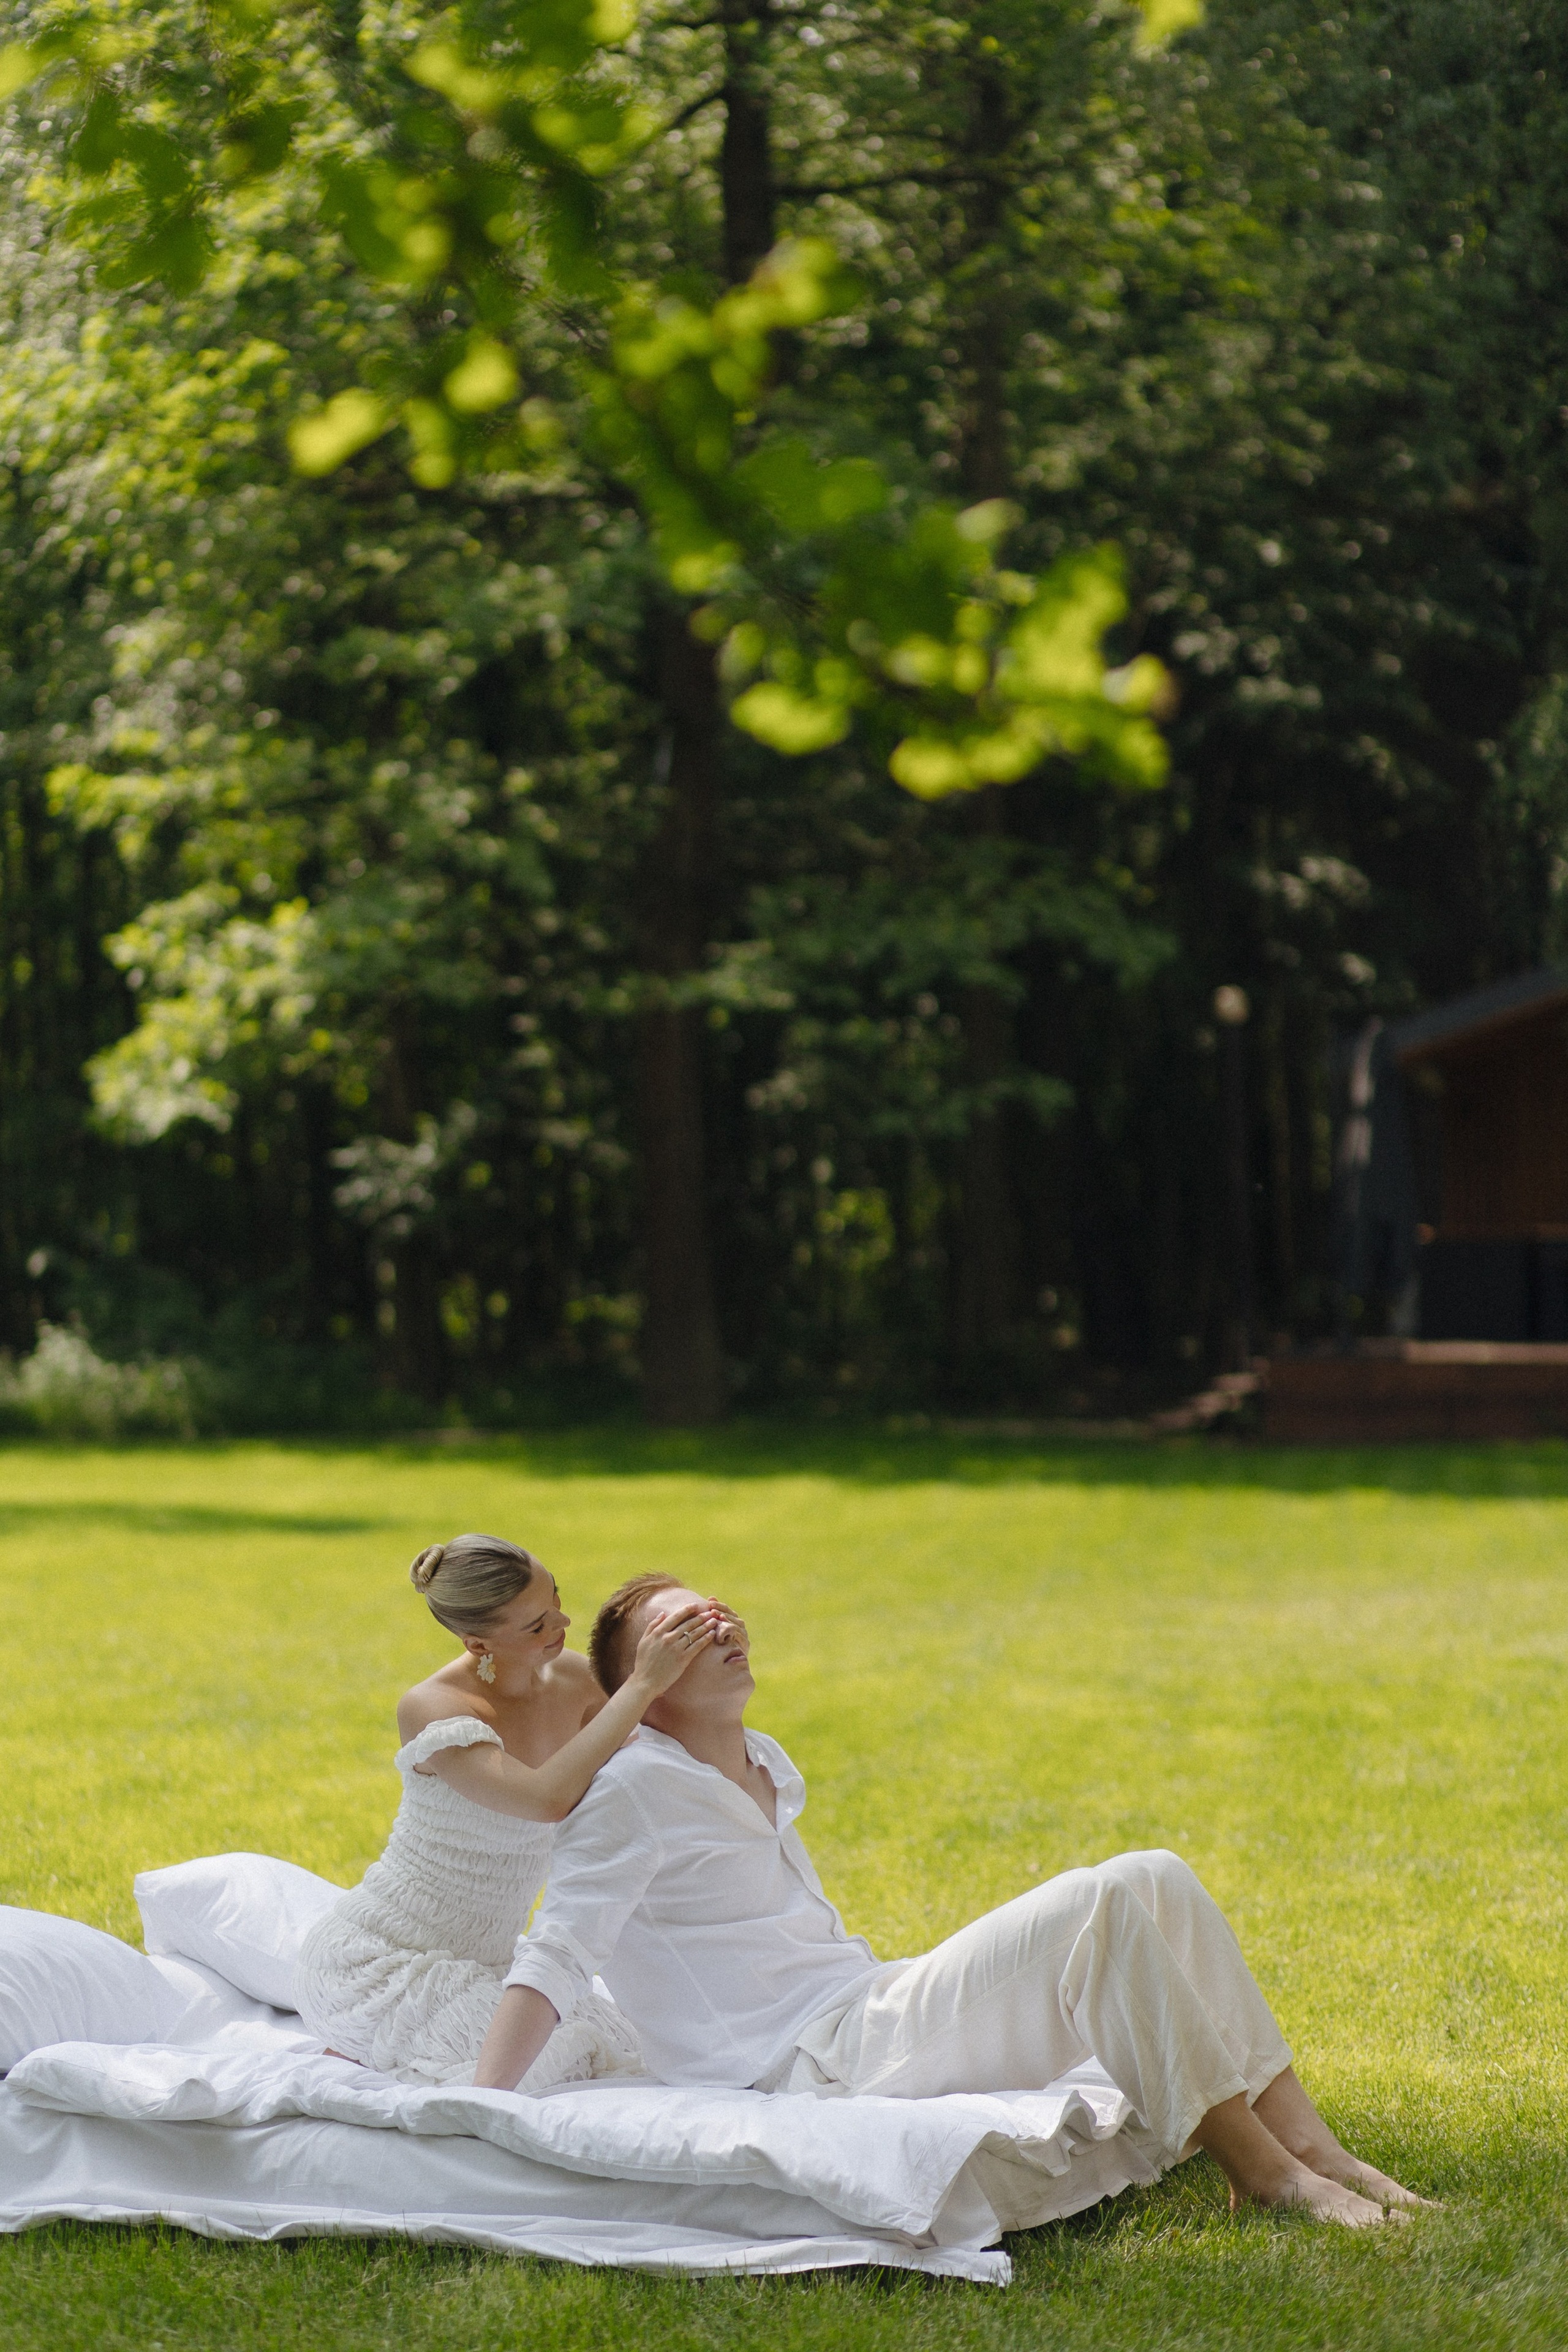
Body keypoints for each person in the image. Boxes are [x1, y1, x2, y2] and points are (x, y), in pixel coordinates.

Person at [475, 1574, 1429, 2227]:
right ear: (640, 1686)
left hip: (868, 2008)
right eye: (681, 1631)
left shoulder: (762, 1764)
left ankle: (1312, 2145)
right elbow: (558, 1946)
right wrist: (477, 2106)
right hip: (810, 2064)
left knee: (1155, 1875)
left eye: (719, 1613)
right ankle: (1262, 2176)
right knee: (1099, 1906)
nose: (717, 1629)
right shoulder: (634, 1788)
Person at [293, 1536, 718, 2085]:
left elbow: (649, 1756)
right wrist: (639, 1686)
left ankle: (393, 2046)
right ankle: (376, 2041)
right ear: (477, 1644)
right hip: (380, 1965)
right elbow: (544, 1800)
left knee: (639, 2043)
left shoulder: (572, 1678)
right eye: (537, 1625)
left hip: (490, 1964)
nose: (563, 1623)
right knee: (557, 2059)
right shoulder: (434, 1710)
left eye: (557, 1600)